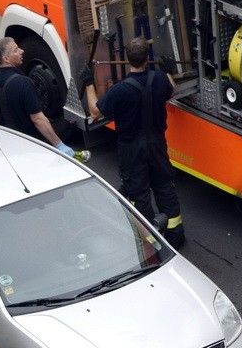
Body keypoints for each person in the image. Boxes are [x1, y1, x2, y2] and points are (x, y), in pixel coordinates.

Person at [79, 37, 184, 248]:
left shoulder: (120, 90)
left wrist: (89, 84)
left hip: (131, 147)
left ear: (128, 60)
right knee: (164, 185)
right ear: (147, 58)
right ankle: (175, 235)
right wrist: (169, 71)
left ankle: (151, 241)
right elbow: (171, 89)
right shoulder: (160, 80)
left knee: (139, 192)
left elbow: (95, 112)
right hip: (157, 143)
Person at [0, 37, 89, 162]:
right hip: (31, 146)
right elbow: (38, 119)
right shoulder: (24, 83)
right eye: (16, 50)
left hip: (9, 147)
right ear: (6, 59)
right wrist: (59, 144)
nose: (21, 51)